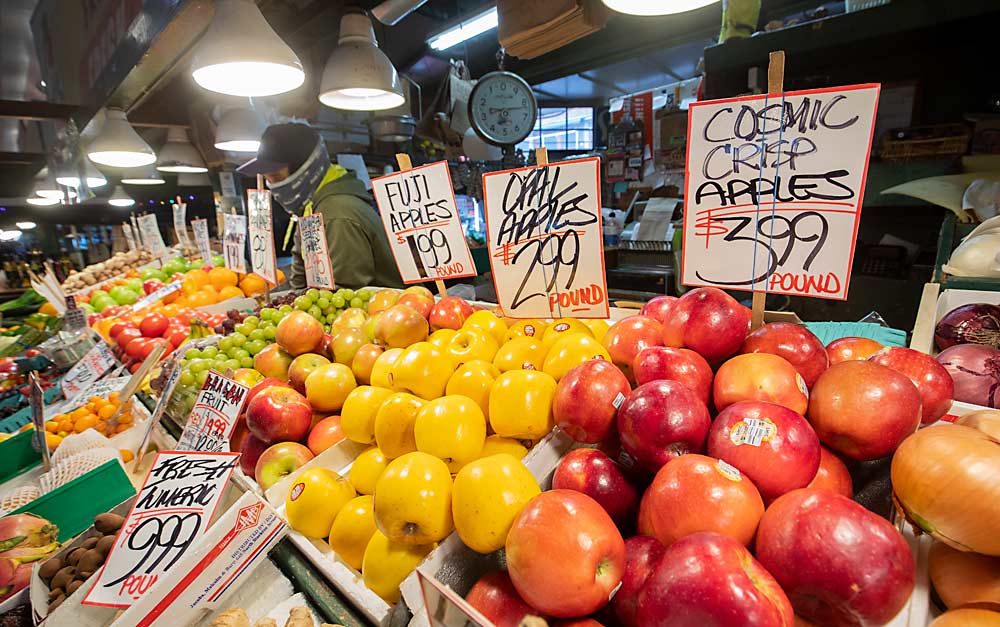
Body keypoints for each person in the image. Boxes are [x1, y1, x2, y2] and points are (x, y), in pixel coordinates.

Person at [237, 123, 403, 290]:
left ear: (306, 169)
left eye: (276, 177)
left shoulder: (337, 213)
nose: (272, 186)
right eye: (267, 179)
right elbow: (299, 279)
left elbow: (346, 294)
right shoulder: (311, 207)